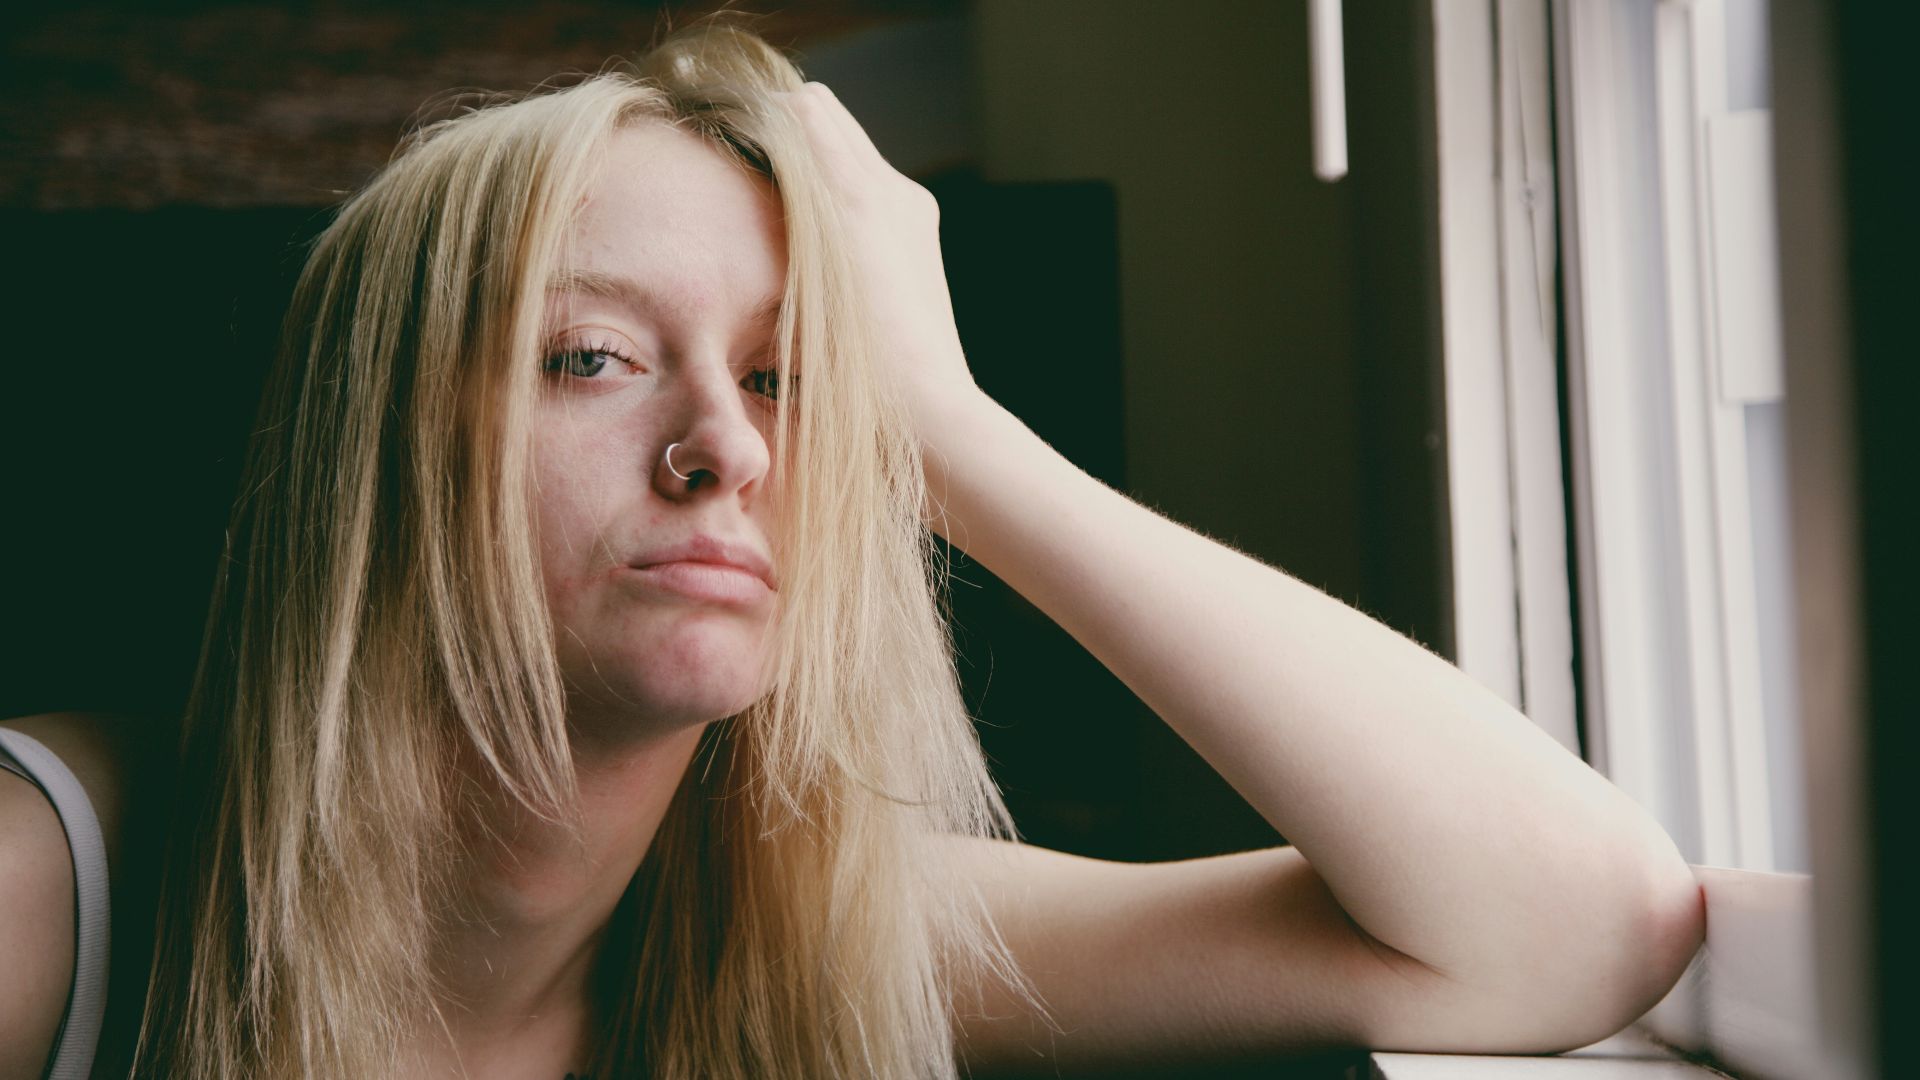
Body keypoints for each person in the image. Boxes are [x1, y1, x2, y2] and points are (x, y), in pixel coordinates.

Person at [0, 21, 1706, 1080]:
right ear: (372, 448)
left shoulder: (816, 933)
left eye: (791, 377)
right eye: (590, 355)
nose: (727, 448)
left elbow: (1581, 925)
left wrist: (950, 430)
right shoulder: (47, 899)